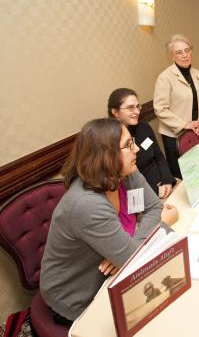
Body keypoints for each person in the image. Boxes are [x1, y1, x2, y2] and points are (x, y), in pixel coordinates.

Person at [40, 118, 179, 325]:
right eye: (128, 145)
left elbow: (153, 208)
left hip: (112, 276)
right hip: (77, 297)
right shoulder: (87, 204)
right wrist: (163, 225)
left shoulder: (124, 173)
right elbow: (133, 260)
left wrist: (128, 245)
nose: (137, 149)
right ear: (106, 156)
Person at [154, 34, 199, 178]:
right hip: (175, 135)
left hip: (196, 131)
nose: (185, 55)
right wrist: (185, 124)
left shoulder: (197, 74)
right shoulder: (165, 78)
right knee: (181, 175)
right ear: (172, 57)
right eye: (179, 52)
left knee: (197, 170)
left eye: (187, 50)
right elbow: (160, 109)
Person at [108, 88, 176, 199]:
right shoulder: (111, 140)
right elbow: (123, 182)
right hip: (141, 196)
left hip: (164, 186)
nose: (137, 112)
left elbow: (159, 156)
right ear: (115, 112)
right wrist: (154, 191)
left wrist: (167, 180)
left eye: (137, 106)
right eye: (130, 108)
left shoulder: (143, 127)